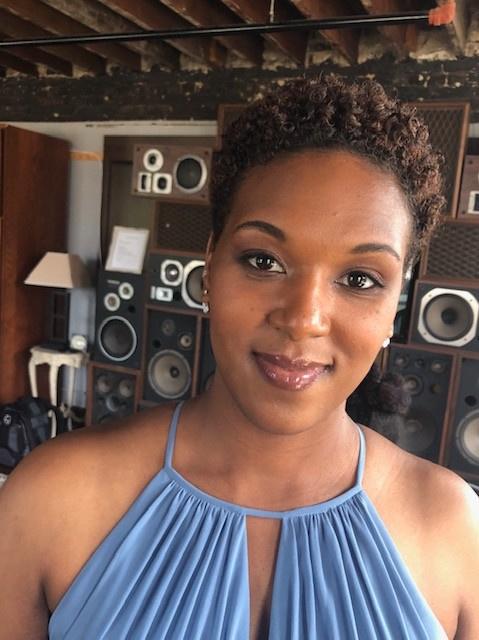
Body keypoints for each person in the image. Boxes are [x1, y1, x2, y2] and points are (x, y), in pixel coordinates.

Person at [0, 74, 478, 640]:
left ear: (396, 306)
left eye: (359, 278)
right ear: (209, 267)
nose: (303, 318)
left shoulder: (454, 529)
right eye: (263, 261)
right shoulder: (51, 496)